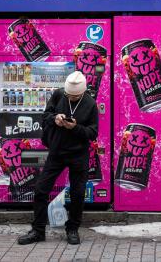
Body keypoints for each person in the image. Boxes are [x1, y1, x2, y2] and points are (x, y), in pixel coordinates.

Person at [18, 71, 98, 245]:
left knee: (78, 193)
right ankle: (38, 230)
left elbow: (93, 133)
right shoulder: (59, 94)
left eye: (75, 96)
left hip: (78, 154)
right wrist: (55, 118)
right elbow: (45, 116)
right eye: (69, 95)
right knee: (40, 189)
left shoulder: (91, 104)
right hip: (57, 151)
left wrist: (75, 127)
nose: (71, 97)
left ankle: (73, 229)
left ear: (82, 93)